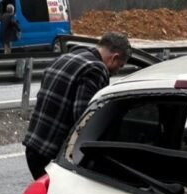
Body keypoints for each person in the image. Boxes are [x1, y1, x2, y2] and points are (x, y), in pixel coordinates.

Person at [23, 32, 132, 179]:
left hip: (34, 146)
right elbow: (84, 117)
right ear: (115, 57)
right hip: (52, 154)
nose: (118, 71)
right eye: (120, 66)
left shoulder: (65, 57)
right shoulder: (96, 68)